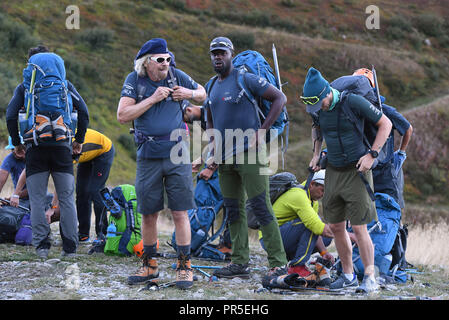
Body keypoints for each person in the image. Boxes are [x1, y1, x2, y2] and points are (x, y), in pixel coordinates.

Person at [117, 38, 206, 289]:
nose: (166, 63)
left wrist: (188, 93)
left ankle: (184, 266)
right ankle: (149, 265)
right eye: (160, 60)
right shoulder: (134, 80)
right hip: (148, 153)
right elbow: (123, 115)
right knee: (148, 212)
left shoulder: (177, 75)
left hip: (178, 151)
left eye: (168, 58)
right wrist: (153, 99)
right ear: (147, 63)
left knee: (180, 211)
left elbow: (203, 93)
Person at [204, 36, 288, 279]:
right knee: (233, 209)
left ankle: (278, 263)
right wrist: (212, 148)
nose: (218, 57)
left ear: (231, 54)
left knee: (261, 206)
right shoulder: (211, 85)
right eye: (214, 53)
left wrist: (261, 131)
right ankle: (240, 263)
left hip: (250, 154)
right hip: (224, 158)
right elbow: (210, 116)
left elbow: (279, 98)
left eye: (222, 53)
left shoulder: (244, 78)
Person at [302, 67, 392, 293]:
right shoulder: (318, 110)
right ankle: (349, 275)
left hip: (357, 172)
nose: (317, 109)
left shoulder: (352, 102)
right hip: (333, 171)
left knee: (360, 227)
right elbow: (317, 129)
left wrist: (372, 155)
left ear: (327, 93)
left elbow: (386, 125)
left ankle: (370, 277)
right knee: (336, 226)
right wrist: (316, 153)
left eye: (318, 103)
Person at [6, 45, 89, 259]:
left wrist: (17, 142)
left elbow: (10, 116)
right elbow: (84, 113)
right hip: (62, 147)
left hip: (35, 148)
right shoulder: (65, 85)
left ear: (31, 65)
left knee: (36, 199)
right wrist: (78, 141)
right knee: (67, 198)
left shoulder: (26, 87)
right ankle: (70, 249)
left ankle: (42, 247)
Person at [259, 170, 338, 276]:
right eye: (322, 190)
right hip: (269, 239)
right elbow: (315, 226)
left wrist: (324, 252)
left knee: (326, 238)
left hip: (283, 235)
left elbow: (316, 230)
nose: (323, 195)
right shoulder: (298, 195)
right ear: (312, 184)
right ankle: (297, 266)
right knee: (310, 225)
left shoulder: (312, 201)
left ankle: (288, 260)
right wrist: (347, 236)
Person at [73, 128, 115, 242]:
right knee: (81, 192)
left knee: (95, 190)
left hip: (104, 150)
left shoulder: (65, 148)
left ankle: (102, 233)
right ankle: (83, 234)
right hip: (87, 154)